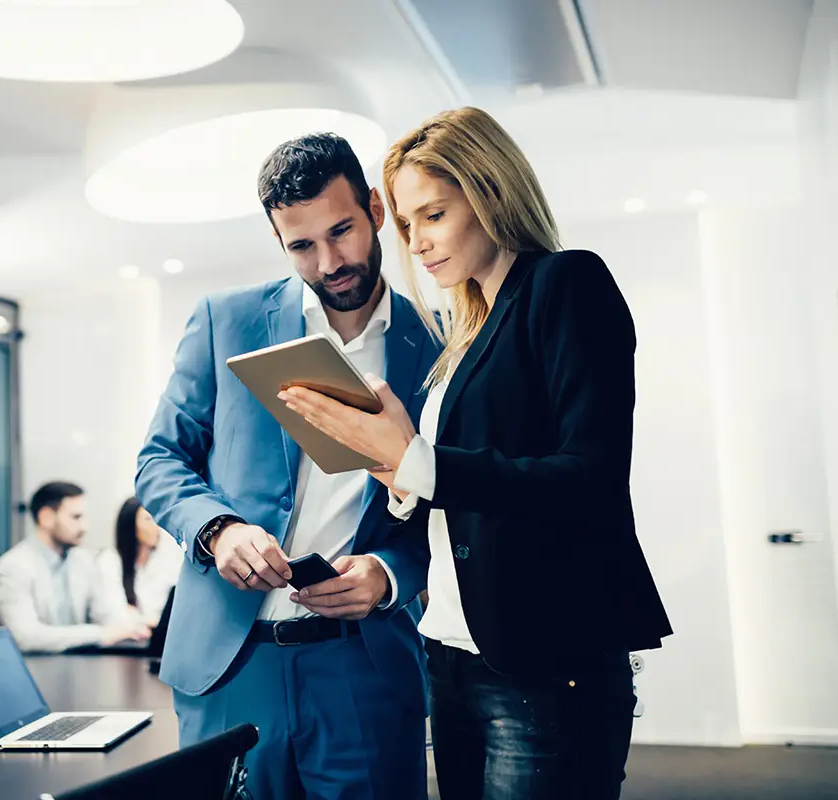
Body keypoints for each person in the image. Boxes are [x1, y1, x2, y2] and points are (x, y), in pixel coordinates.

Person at [280, 107, 673, 800]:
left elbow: (590, 479)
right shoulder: (462, 332)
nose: (418, 242)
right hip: (452, 650)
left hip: (545, 659)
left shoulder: (566, 284)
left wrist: (414, 462)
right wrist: (392, 470)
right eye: (405, 224)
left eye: (433, 214)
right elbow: (445, 490)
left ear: (490, 191)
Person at [136, 132, 440, 800]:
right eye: (302, 245)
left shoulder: (437, 342)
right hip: (231, 663)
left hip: (362, 663)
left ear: (375, 209)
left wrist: (390, 574)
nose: (330, 261)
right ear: (278, 241)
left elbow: (445, 507)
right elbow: (158, 461)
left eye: (342, 231)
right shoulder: (227, 321)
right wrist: (218, 530)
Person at [0, 481, 151, 653]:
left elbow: (106, 615)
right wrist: (99, 634)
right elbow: (25, 637)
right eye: (76, 517)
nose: (85, 527)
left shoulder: (83, 561)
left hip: (80, 666)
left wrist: (129, 626)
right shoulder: (12, 568)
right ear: (46, 517)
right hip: (34, 670)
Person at [96, 497, 181, 625]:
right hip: (126, 640)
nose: (156, 526)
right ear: (130, 525)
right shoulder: (110, 561)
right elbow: (116, 614)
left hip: (155, 636)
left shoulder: (163, 560)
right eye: (148, 519)